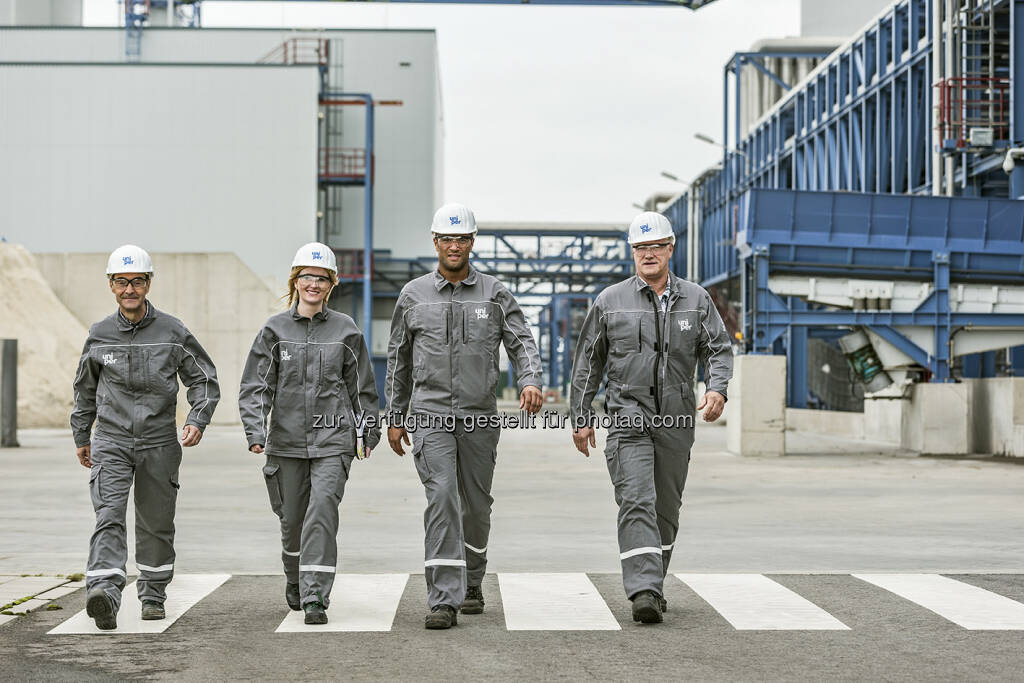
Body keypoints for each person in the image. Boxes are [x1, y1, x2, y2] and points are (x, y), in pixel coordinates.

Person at [569, 212, 733, 624]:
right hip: (628, 418)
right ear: (633, 253)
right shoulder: (610, 301)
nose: (648, 255)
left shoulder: (696, 299)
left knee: (666, 509)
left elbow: (718, 349)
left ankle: (654, 582)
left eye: (655, 247)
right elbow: (588, 361)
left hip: (676, 421)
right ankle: (642, 588)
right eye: (640, 248)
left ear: (670, 249)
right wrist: (581, 414)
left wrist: (716, 388)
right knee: (636, 499)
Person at [385, 203, 543, 629]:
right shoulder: (413, 295)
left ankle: (473, 579)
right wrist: (395, 415)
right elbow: (398, 360)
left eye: (462, 239)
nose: (454, 246)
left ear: (472, 243)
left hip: (479, 417)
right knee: (442, 499)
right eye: (447, 239)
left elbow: (521, 340)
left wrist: (530, 379)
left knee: (475, 506)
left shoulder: (494, 294)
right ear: (435, 242)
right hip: (430, 415)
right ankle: (443, 598)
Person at [71, 244, 220, 630]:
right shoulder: (100, 334)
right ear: (111, 285)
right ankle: (104, 590)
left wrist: (198, 419)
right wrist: (81, 434)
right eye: (121, 282)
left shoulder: (172, 331)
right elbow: (84, 389)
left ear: (149, 283)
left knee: (156, 522)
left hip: (159, 441)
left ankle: (153, 593)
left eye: (137, 281)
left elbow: (203, 378)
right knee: (108, 514)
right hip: (111, 440)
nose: (129, 289)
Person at [238, 242, 380, 625]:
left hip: (334, 442)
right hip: (284, 442)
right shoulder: (274, 330)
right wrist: (256, 429)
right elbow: (256, 386)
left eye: (321, 278)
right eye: (307, 277)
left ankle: (315, 593)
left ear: (331, 284)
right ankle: (295, 576)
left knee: (322, 512)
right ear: (295, 281)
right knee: (292, 520)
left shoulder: (345, 331)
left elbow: (363, 389)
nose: (313, 284)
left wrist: (369, 431)